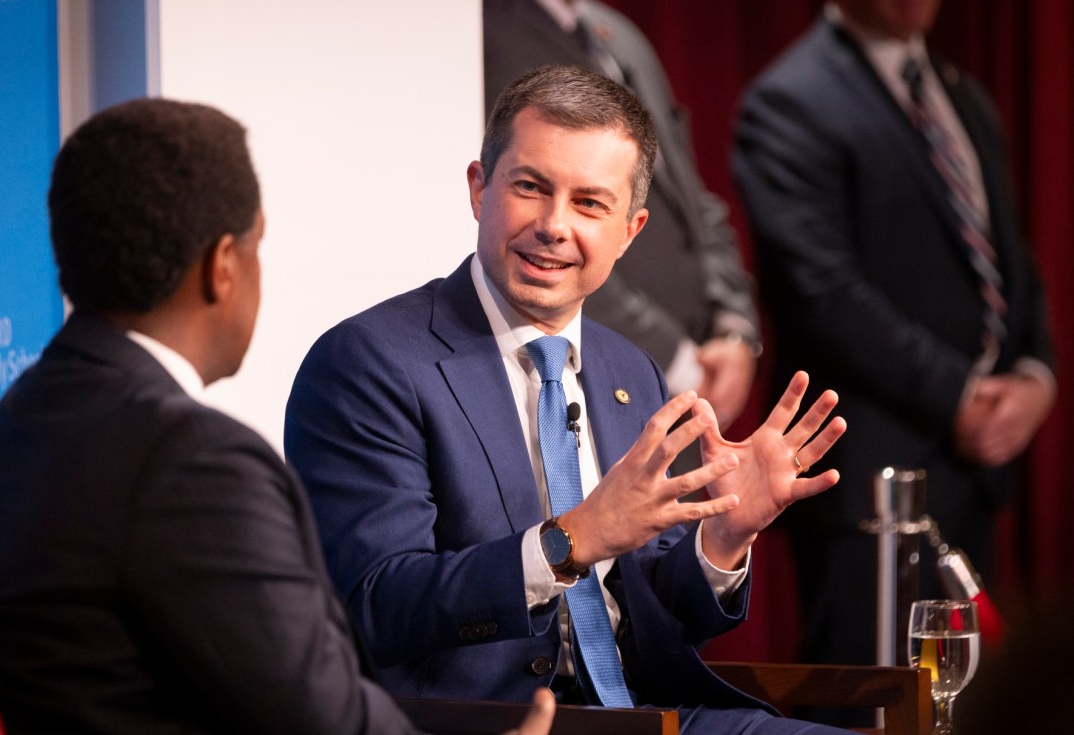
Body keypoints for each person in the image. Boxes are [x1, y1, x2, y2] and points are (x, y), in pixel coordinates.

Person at [0, 98, 555, 735]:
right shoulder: (191, 462)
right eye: (258, 244)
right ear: (223, 266)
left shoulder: (22, 416)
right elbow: (322, 716)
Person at [285, 65, 850, 734]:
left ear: (631, 229)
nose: (554, 225)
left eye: (589, 203)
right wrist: (572, 541)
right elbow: (376, 608)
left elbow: (660, 614)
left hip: (649, 718)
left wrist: (723, 537)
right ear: (478, 188)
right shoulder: (370, 363)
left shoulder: (628, 370)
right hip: (482, 723)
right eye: (530, 187)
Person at [732, 0, 1056, 707]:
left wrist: (1037, 375)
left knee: (971, 707)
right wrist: (959, 396)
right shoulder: (789, 98)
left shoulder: (961, 93)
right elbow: (824, 291)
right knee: (866, 713)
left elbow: (1012, 257)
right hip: (869, 485)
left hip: (976, 473)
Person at [483, 0, 760, 432]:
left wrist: (732, 327)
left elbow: (694, 201)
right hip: (598, 382)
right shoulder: (485, 33)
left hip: (690, 375)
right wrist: (673, 360)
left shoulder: (619, 35)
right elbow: (548, 237)